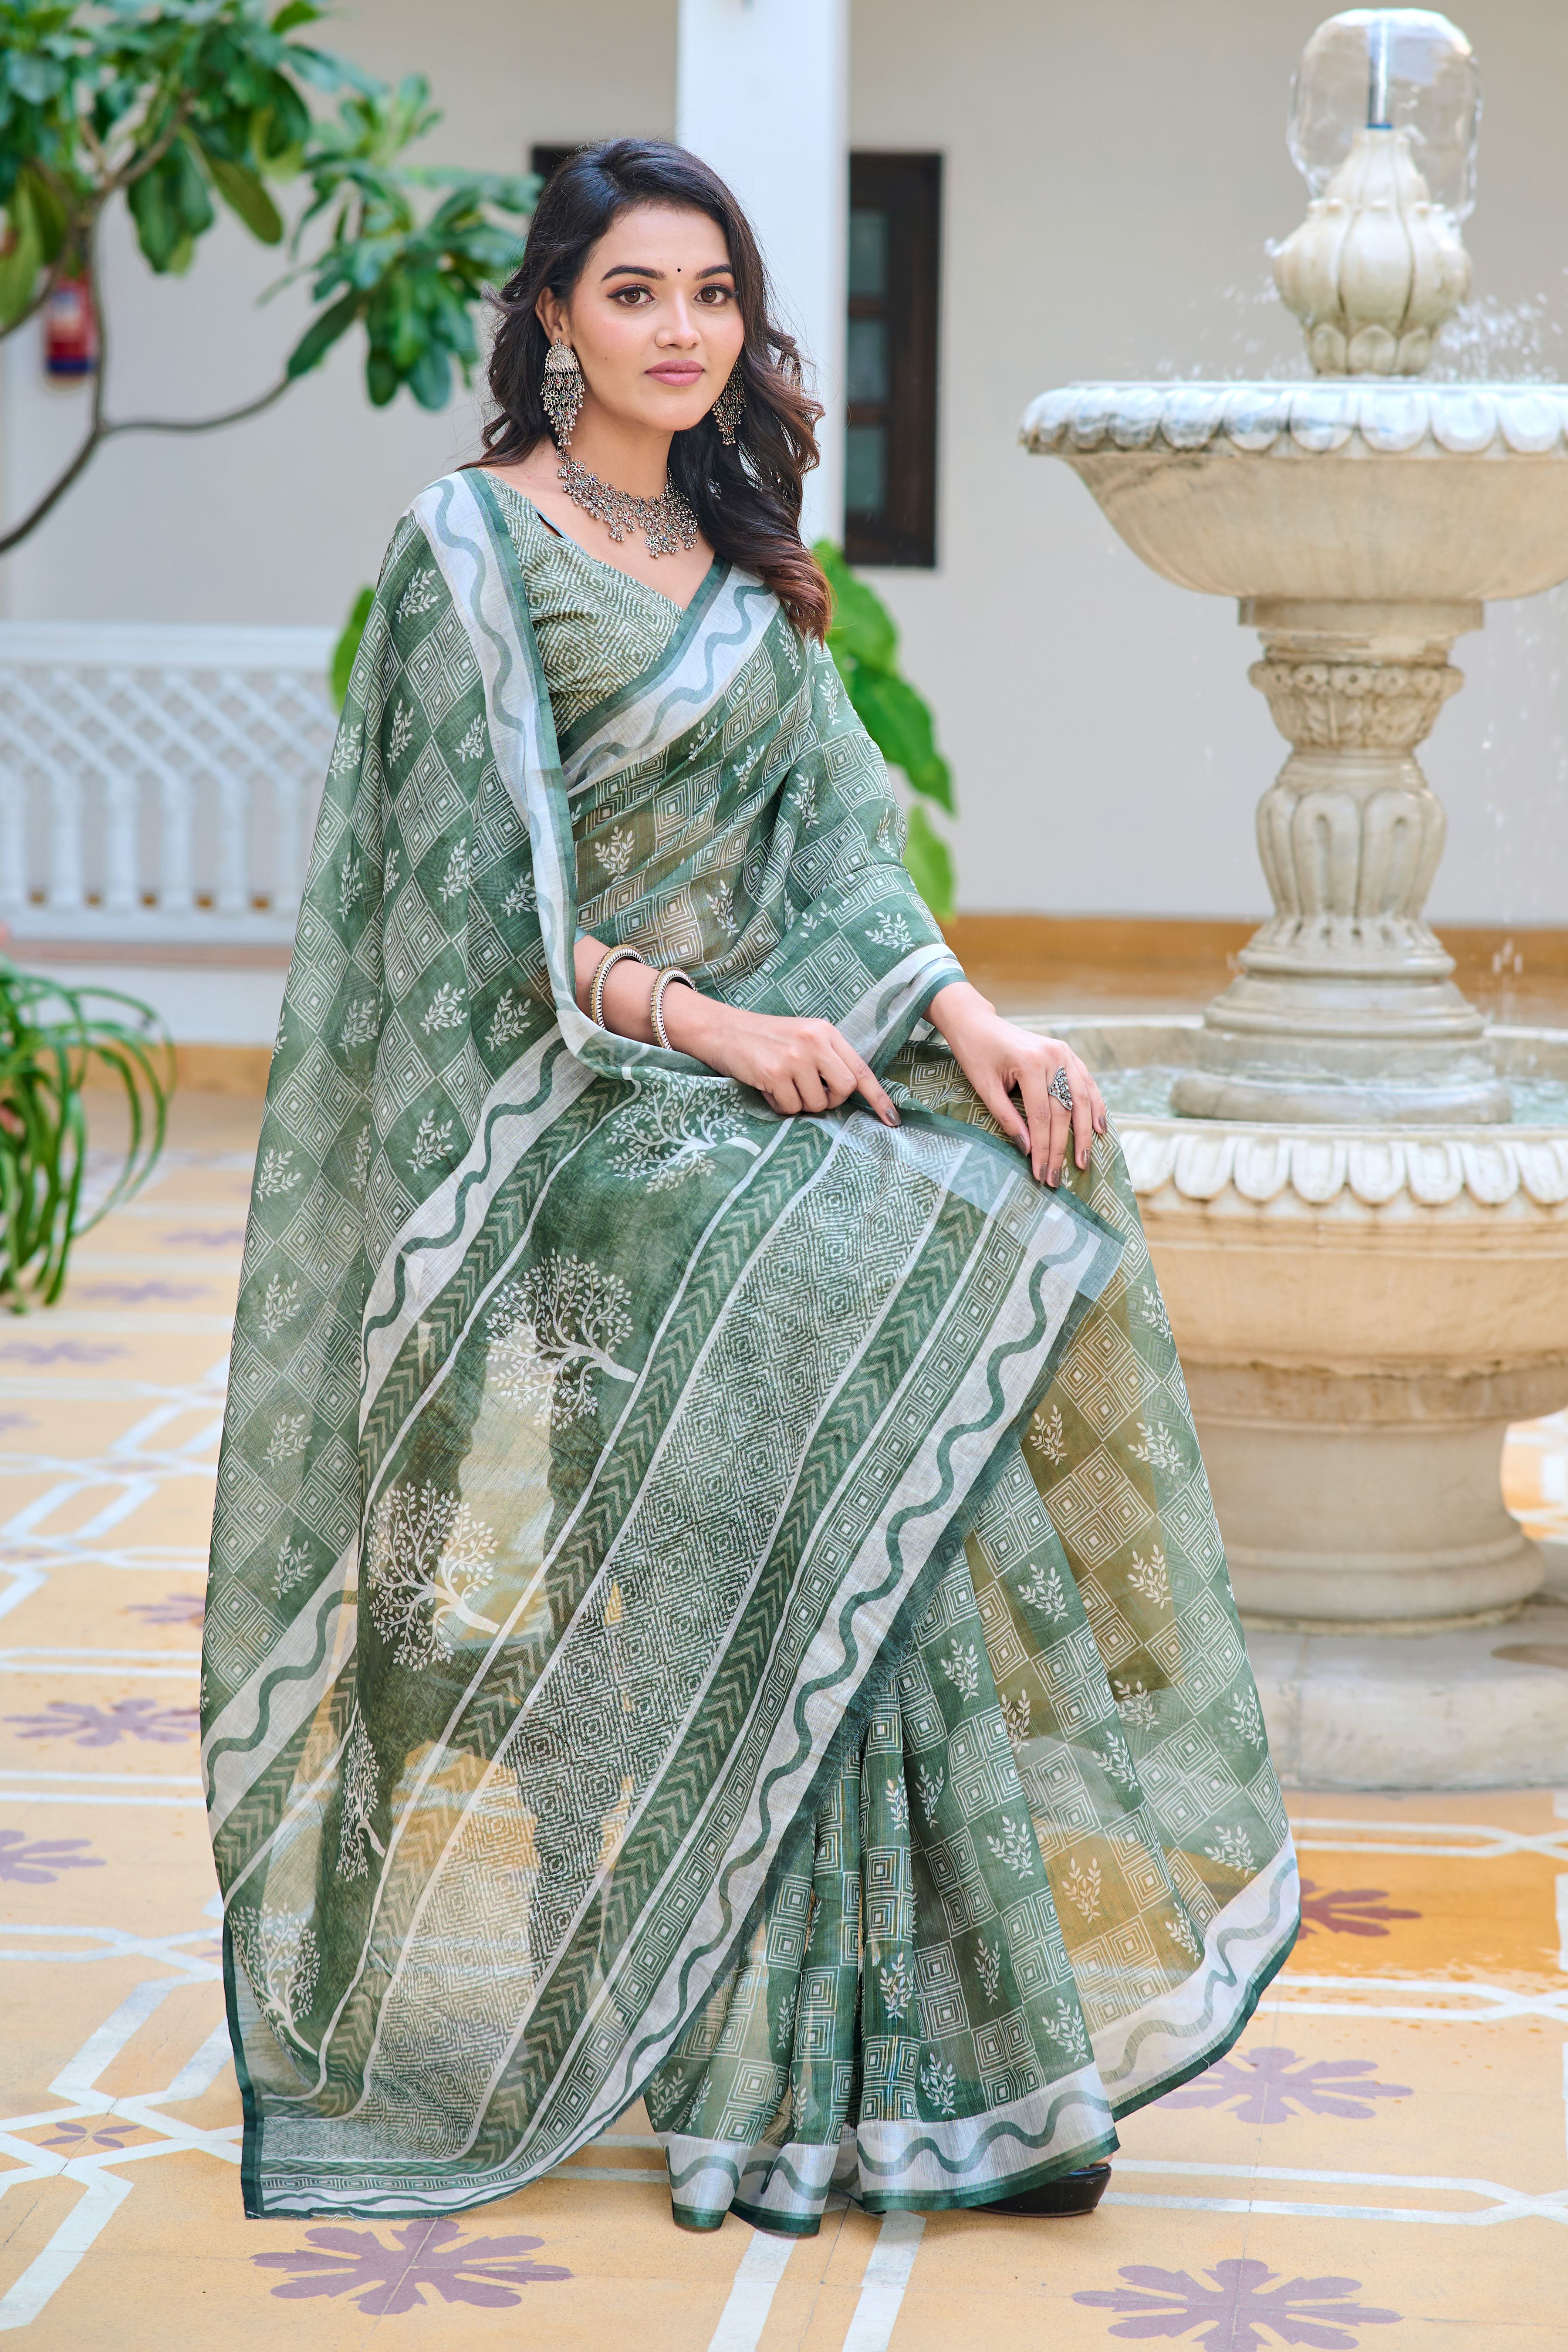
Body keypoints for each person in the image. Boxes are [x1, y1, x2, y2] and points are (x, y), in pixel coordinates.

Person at [203, 139, 1299, 2235]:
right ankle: (786, 2058)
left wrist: (969, 1017)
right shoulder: (468, 549)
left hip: (757, 1078)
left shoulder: (742, 557)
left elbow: (846, 854)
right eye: (635, 291)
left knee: (1015, 1199)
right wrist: (710, 1027)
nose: (681, 328)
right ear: (553, 316)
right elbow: (477, 923)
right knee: (854, 1274)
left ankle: (943, 2060)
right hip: (569, 1115)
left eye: (713, 292)